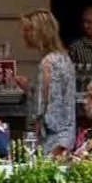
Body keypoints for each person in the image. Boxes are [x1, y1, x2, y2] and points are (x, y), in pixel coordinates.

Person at [13, 10, 78, 155]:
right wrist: (30, 86)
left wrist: (33, 137)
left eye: (27, 30)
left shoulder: (47, 63)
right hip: (66, 135)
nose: (23, 34)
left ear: (38, 32)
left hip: (51, 140)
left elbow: (43, 106)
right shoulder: (64, 58)